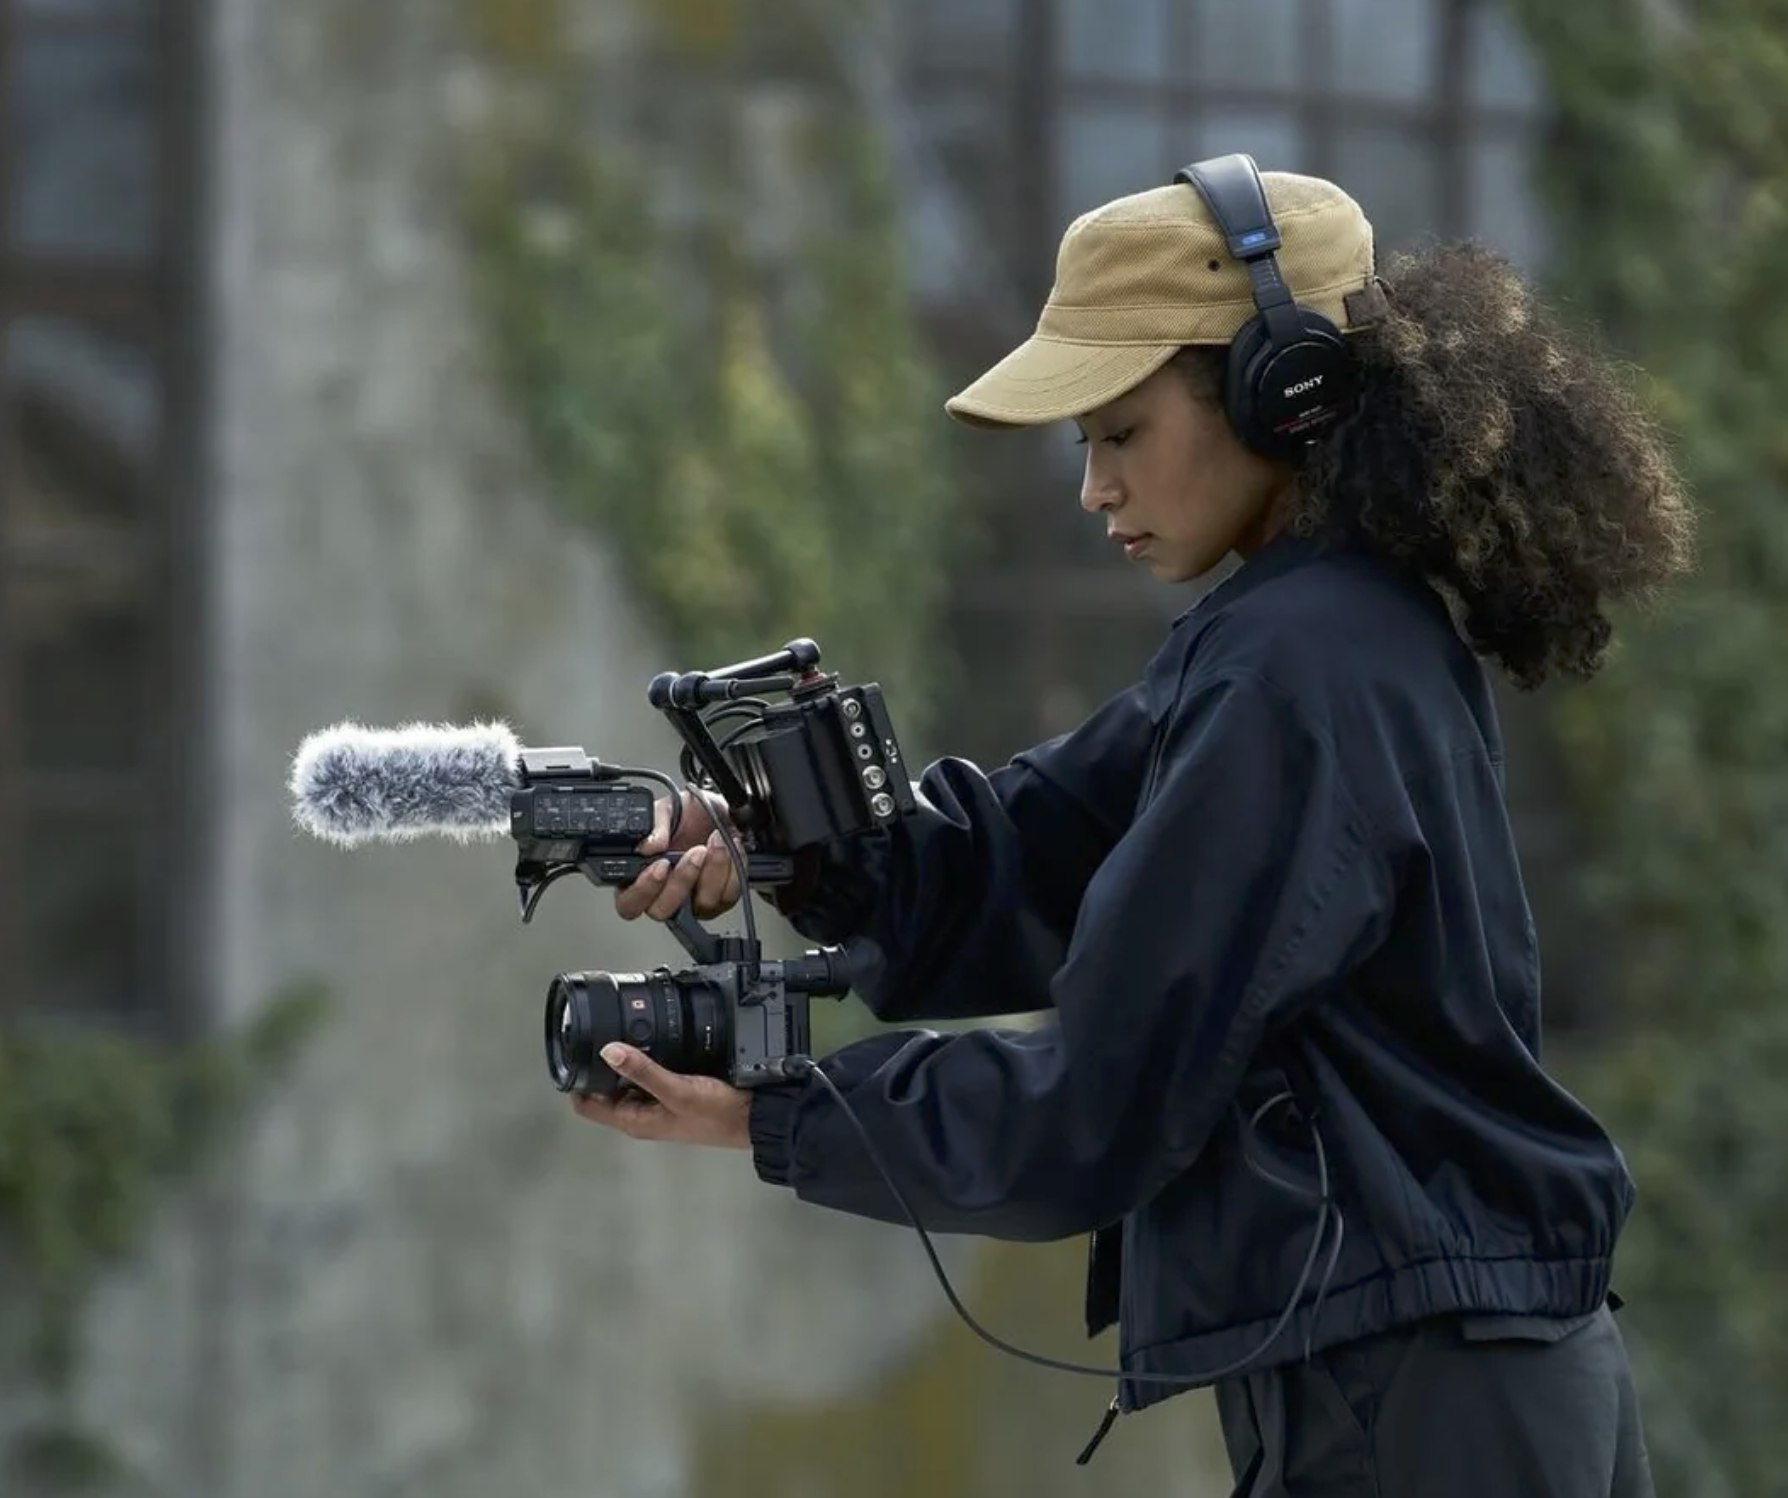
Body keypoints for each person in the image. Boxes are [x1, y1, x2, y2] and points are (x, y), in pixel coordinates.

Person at [571, 157, 1691, 1496]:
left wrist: (771, 1111)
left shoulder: (1303, 675)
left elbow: (1100, 1100)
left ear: (1287, 390)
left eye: (1120, 431)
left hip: (1424, 1405)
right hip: (1436, 1380)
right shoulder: (1292, 641)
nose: (1095, 488)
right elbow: (1019, 865)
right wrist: (778, 842)